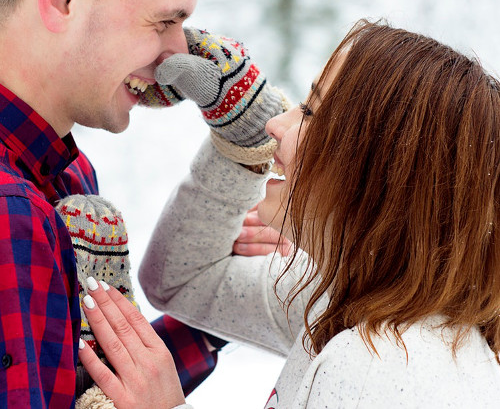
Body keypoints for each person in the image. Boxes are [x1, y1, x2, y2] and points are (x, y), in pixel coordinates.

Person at [80, 20, 500, 407]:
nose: (276, 124)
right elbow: (182, 280)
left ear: (377, 169)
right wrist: (239, 134)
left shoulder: (381, 367)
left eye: (312, 112)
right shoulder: (342, 296)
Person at [0, 0, 265, 407]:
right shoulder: (11, 213)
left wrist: (212, 303)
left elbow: (73, 382)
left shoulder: (64, 172)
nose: (176, 55)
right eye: (165, 21)